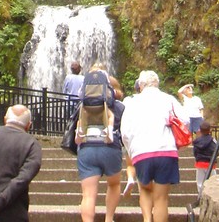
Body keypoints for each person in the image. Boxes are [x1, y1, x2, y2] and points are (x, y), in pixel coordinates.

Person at [120, 69, 188, 222]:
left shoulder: (131, 102)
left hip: (141, 153)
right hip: (166, 151)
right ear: (157, 84)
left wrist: (131, 150)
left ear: (141, 85)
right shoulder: (168, 99)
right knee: (161, 199)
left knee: (144, 190)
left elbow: (124, 132)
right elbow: (186, 120)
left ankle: (146, 220)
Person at [74, 68, 123, 222]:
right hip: (110, 149)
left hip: (87, 148)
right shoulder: (118, 106)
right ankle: (109, 219)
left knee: (88, 194)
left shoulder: (83, 106)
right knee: (114, 184)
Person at [192, 120, 216, 195]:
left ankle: (200, 195)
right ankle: (212, 194)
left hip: (200, 163)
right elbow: (216, 152)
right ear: (210, 130)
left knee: (200, 181)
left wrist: (197, 158)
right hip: (211, 164)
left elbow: (195, 152)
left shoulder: (197, 141)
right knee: (213, 180)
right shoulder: (213, 141)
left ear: (200, 130)